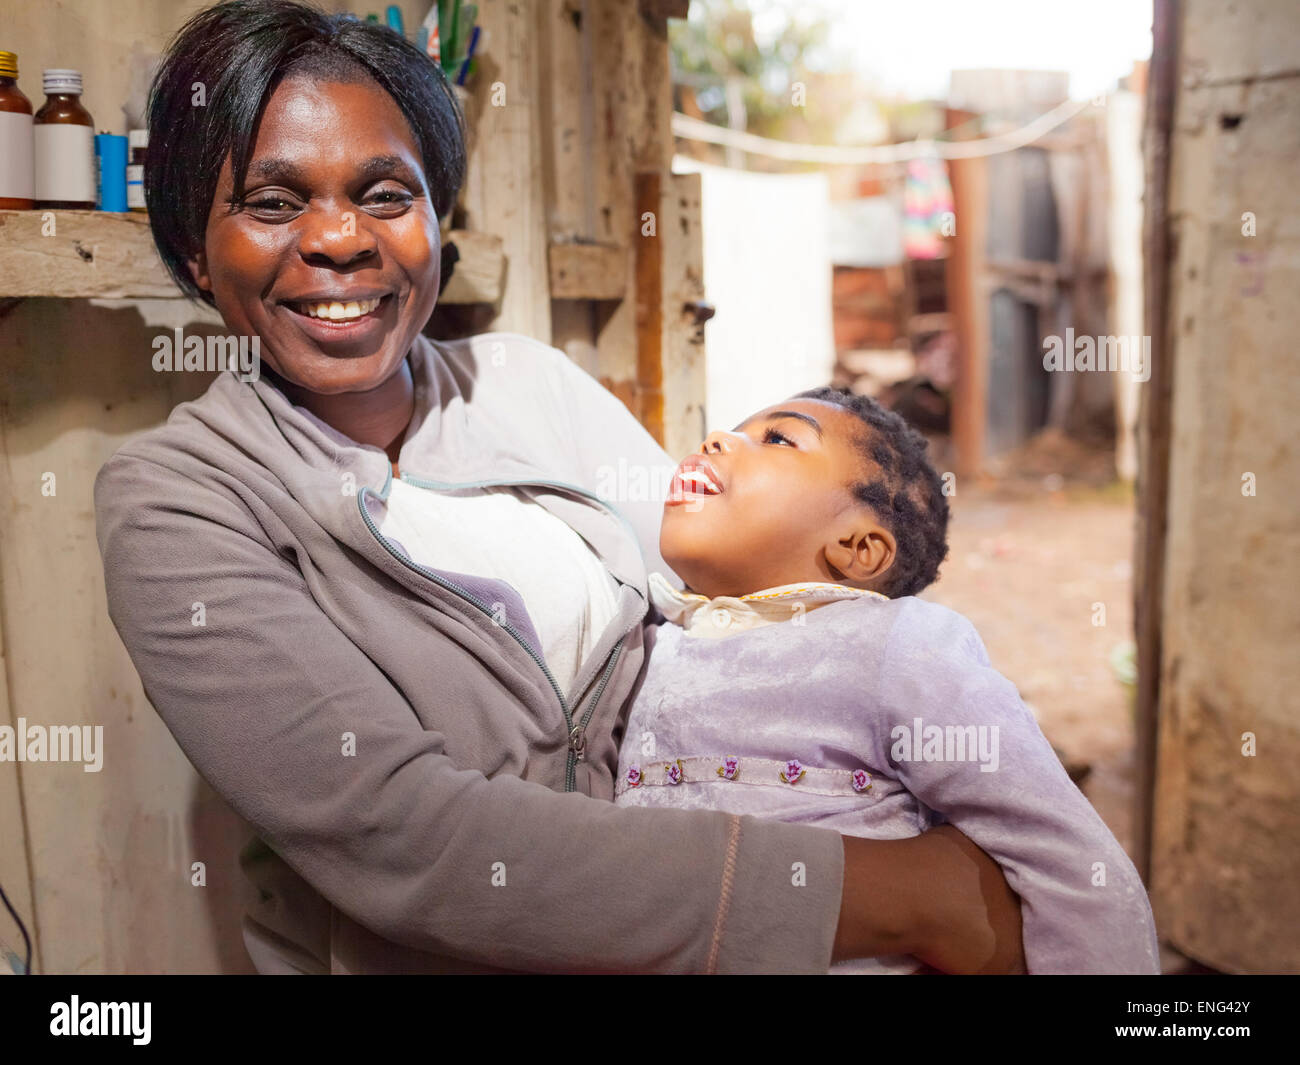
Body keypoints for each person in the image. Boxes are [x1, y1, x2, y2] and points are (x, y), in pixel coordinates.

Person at [94, 0, 1024, 974]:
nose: (339, 239)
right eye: (273, 202)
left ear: (434, 222)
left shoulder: (523, 383)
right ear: (195, 248)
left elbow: (723, 595)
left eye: (384, 194)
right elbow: (416, 843)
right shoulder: (179, 502)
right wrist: (899, 894)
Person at [614, 388, 1161, 973]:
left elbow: (1059, 851)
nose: (716, 439)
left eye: (778, 439)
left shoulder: (895, 644)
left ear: (857, 548)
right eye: (735, 428)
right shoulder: (649, 638)